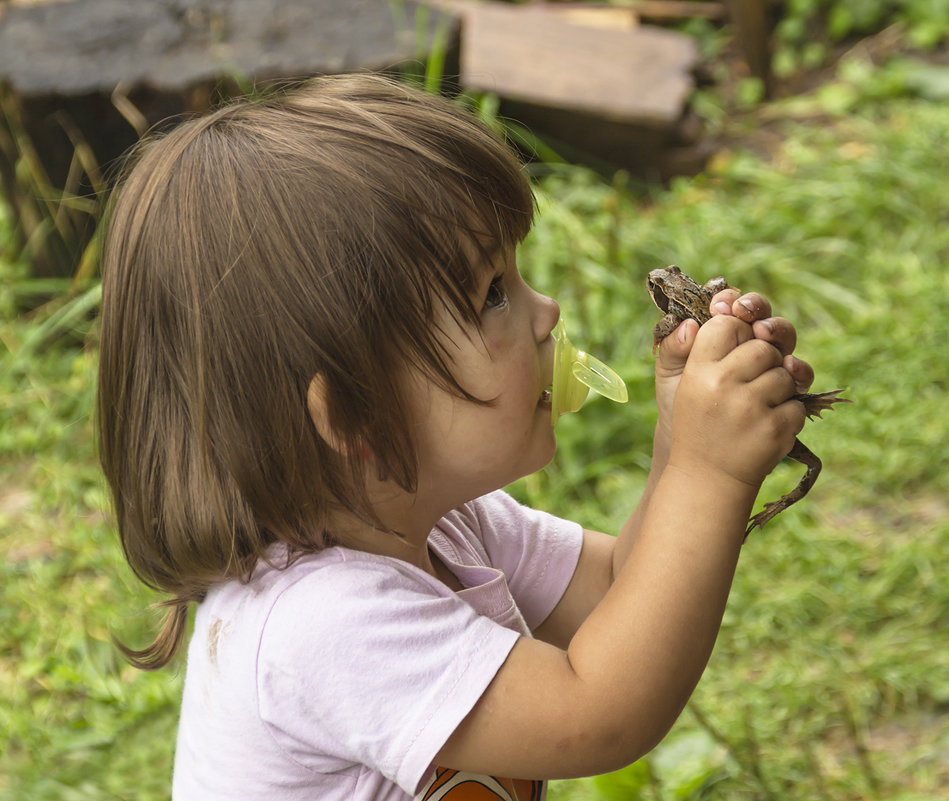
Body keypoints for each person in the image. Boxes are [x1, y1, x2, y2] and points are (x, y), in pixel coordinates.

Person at [96, 74, 813, 801]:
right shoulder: (318, 624)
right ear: (357, 414)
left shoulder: (444, 523)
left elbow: (618, 593)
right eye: (491, 294)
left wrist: (678, 437)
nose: (547, 310)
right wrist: (705, 473)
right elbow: (597, 713)